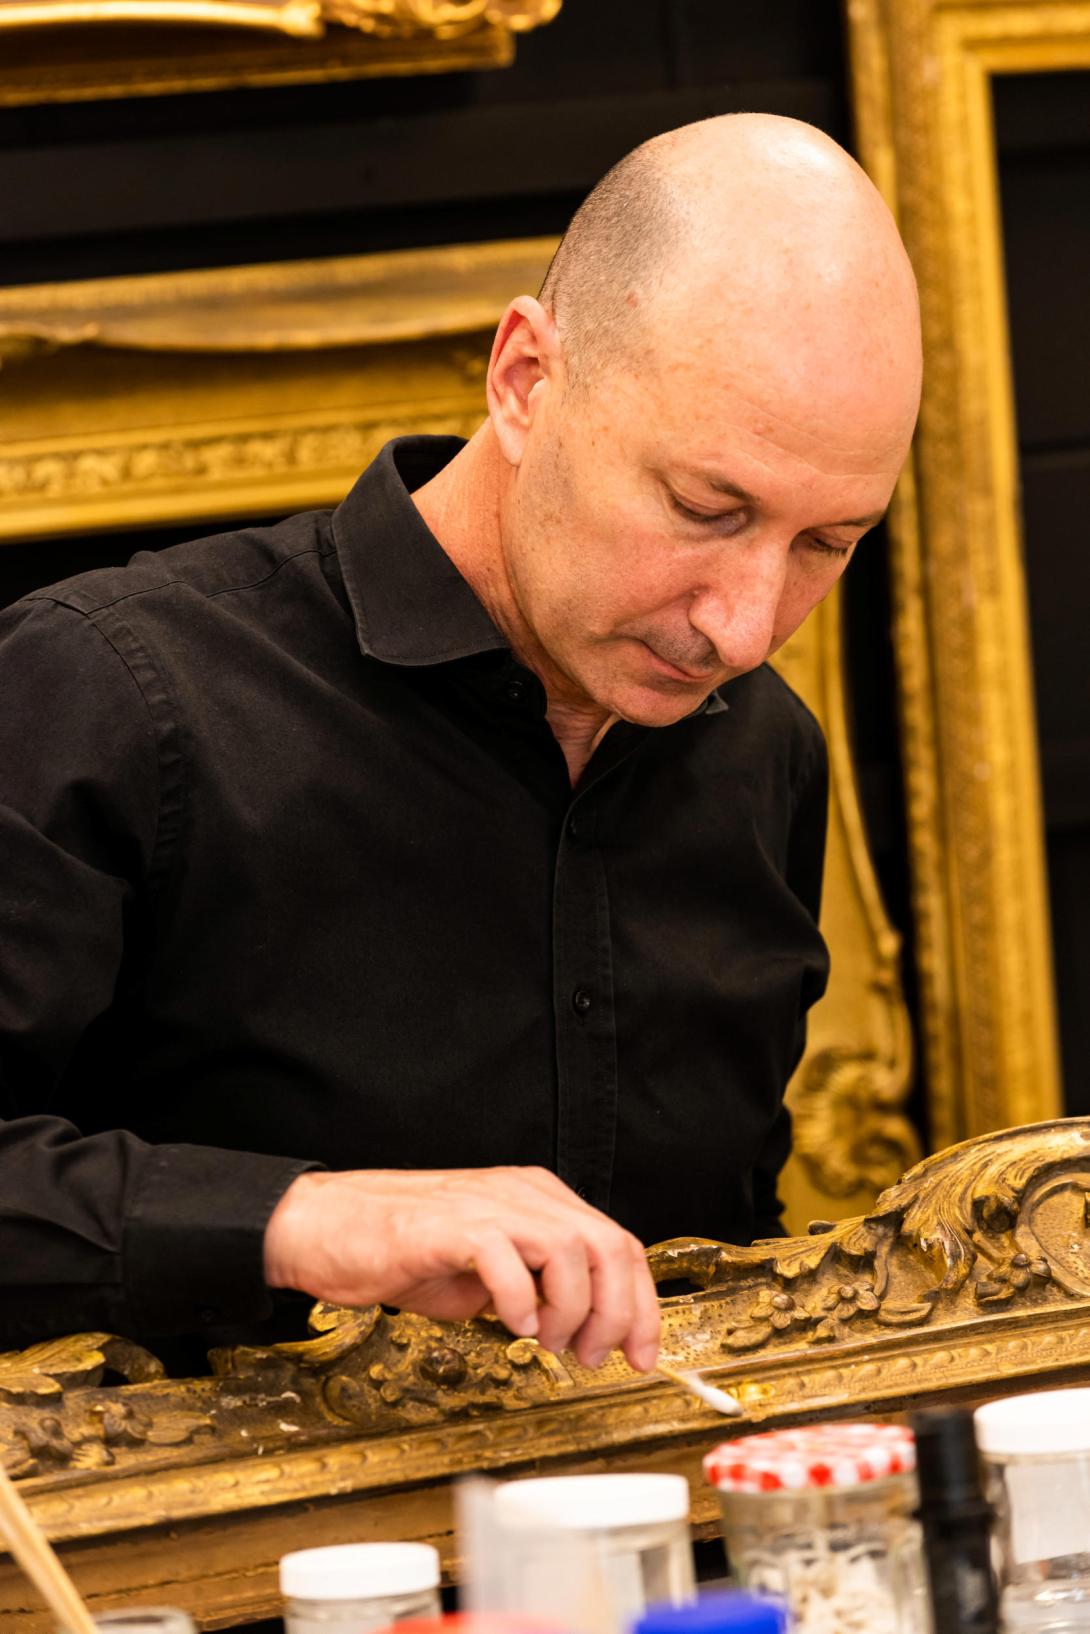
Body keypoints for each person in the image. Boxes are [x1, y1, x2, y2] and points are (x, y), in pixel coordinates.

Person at [0, 114, 921, 1376]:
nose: (745, 628)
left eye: (827, 544)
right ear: (526, 379)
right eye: (707, 509)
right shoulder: (107, 687)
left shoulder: (762, 755)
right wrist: (301, 1217)